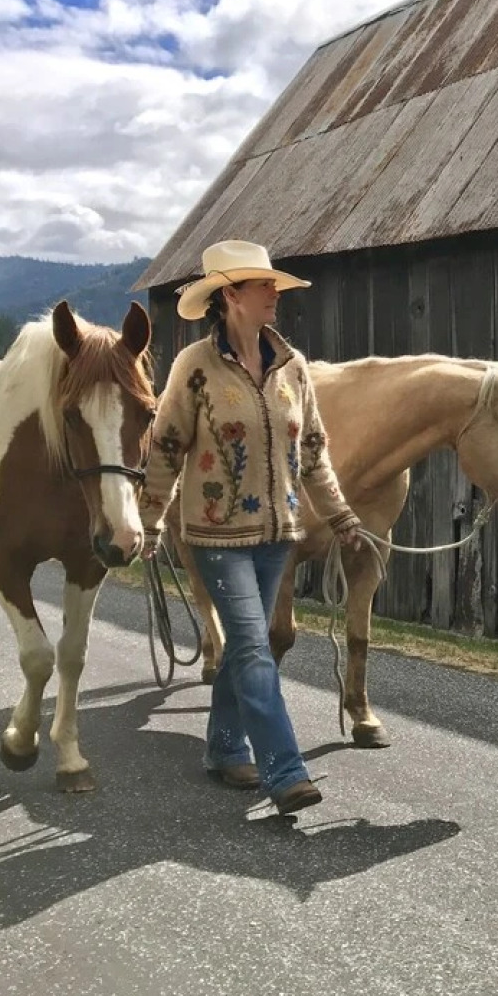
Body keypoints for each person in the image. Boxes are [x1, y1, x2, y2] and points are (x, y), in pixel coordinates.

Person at [138, 239, 362, 815]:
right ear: (231, 296)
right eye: (265, 286)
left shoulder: (293, 368)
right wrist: (150, 519)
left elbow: (312, 451)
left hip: (277, 535)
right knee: (254, 648)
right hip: (215, 535)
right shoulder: (194, 368)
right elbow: (165, 448)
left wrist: (339, 516)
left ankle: (222, 745)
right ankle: (284, 771)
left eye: (275, 286)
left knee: (246, 648)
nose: (275, 294)